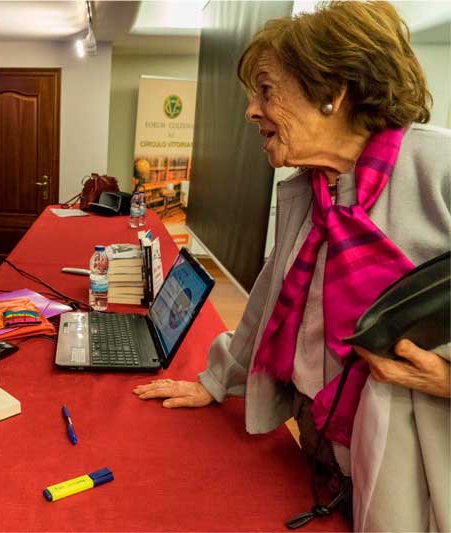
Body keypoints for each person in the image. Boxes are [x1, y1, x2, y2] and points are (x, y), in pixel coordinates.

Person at [133, 3, 450, 532]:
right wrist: (216, 380)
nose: (251, 111)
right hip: (320, 434)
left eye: (266, 90)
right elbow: (270, 300)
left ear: (333, 93)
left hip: (417, 458)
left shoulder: (438, 170)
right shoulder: (312, 189)